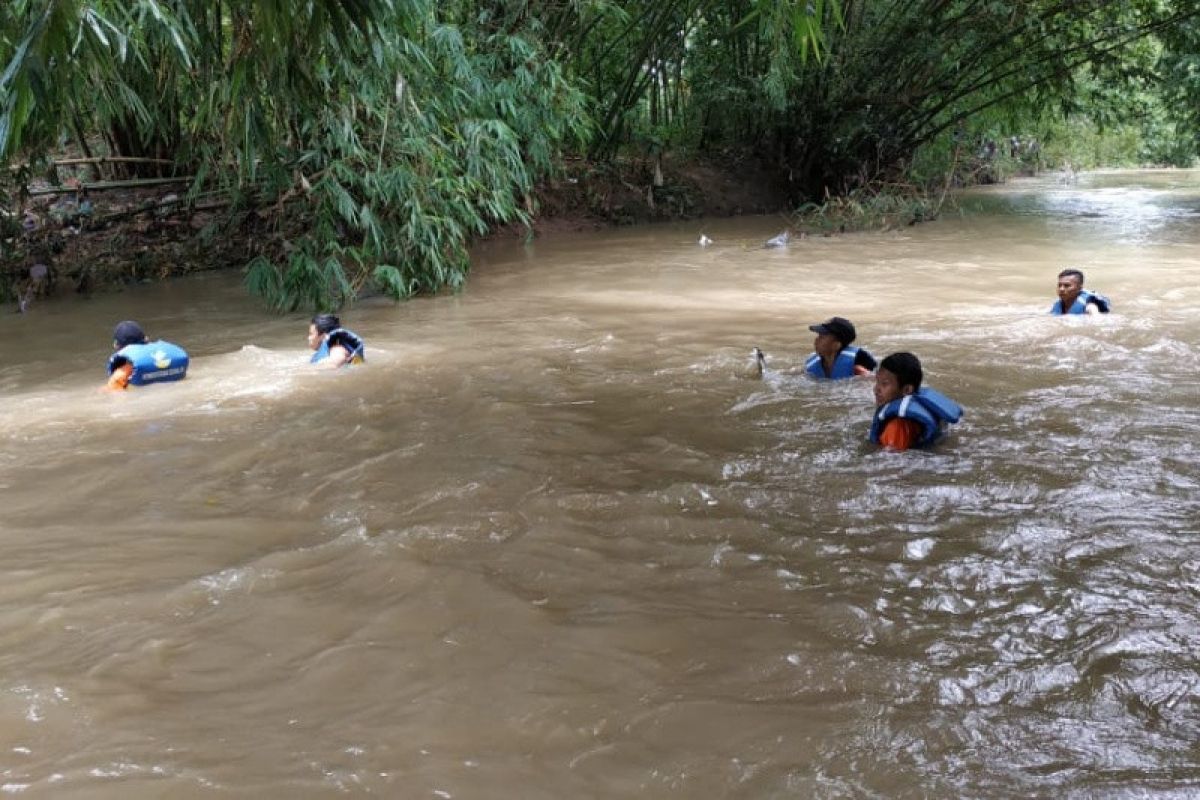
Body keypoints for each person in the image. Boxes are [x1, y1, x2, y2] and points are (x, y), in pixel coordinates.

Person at [868, 352, 962, 451]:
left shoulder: (896, 427)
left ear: (907, 390)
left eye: (884, 384)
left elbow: (890, 463)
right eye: (877, 381)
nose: (876, 389)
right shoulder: (919, 407)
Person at [105, 320, 189, 390]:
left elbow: (112, 395)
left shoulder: (123, 372)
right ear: (146, 339)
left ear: (116, 346)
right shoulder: (172, 357)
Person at [805, 317, 877, 379]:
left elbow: (874, 380)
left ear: (836, 345)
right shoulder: (812, 364)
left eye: (822, 337)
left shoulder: (856, 368)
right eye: (818, 335)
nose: (816, 340)